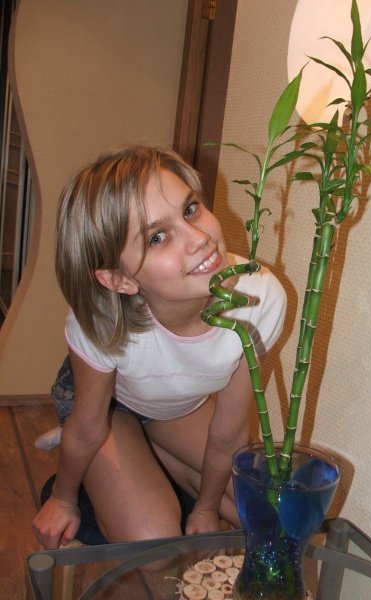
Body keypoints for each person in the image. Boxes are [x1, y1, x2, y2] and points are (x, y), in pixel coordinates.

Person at [33, 145, 287, 550]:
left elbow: (229, 431)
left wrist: (205, 508)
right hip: (107, 407)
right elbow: (88, 423)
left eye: (190, 210)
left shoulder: (258, 299)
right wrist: (63, 499)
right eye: (157, 237)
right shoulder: (103, 318)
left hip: (171, 406)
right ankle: (111, 456)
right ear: (118, 280)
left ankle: (150, 453)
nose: (201, 239)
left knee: (267, 514)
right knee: (154, 545)